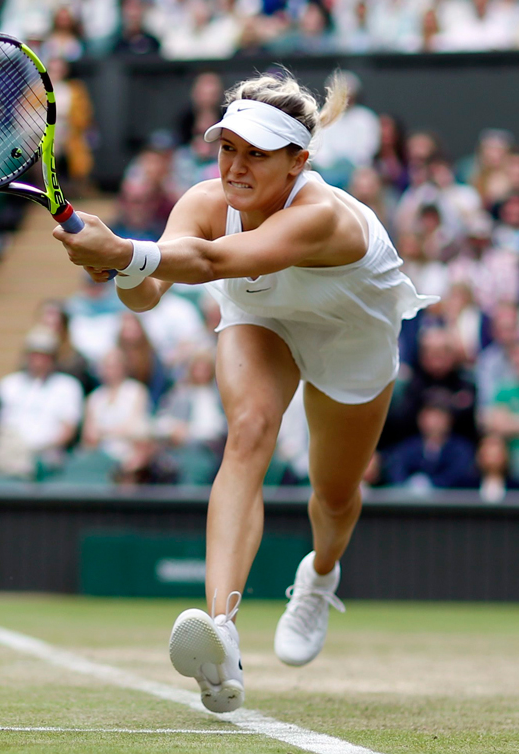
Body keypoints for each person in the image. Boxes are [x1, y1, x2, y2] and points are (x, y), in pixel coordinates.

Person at [53, 71, 435, 712]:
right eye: (228, 147)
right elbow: (148, 291)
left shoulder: (323, 218)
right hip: (265, 321)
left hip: (352, 337)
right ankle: (221, 634)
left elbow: (214, 262)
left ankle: (318, 576)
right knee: (249, 432)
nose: (236, 165)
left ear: (299, 162)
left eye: (256, 153)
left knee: (334, 498)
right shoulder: (205, 202)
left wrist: (121, 247)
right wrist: (117, 263)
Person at [0, 328, 85, 465]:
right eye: (34, 354)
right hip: (10, 454)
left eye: (44, 354)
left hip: (50, 456)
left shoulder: (68, 386)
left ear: (54, 357)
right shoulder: (8, 385)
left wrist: (42, 449)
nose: (38, 360)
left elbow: (69, 428)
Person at [383, 398, 478, 490]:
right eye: (429, 417)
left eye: (439, 417)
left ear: (449, 420)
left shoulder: (461, 449)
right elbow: (396, 470)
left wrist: (432, 485)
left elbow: (458, 475)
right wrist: (409, 487)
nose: (434, 422)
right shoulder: (408, 447)